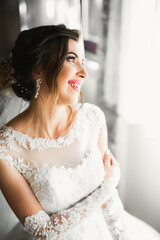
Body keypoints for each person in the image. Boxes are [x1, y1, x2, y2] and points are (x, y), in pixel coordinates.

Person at [0, 24, 128, 240]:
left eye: (83, 62)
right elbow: (43, 231)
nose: (84, 73)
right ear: (38, 69)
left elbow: (110, 203)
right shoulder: (5, 149)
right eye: (71, 59)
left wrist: (121, 236)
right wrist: (106, 187)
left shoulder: (92, 118)